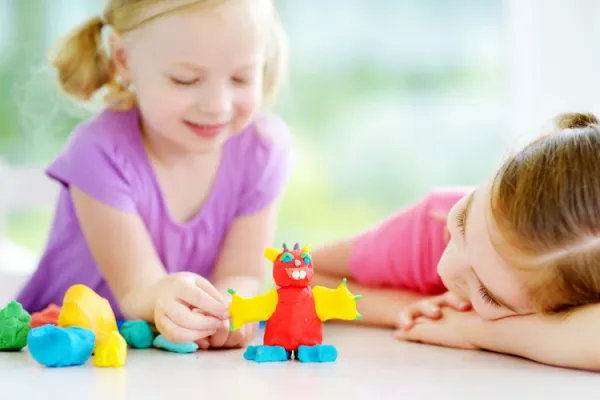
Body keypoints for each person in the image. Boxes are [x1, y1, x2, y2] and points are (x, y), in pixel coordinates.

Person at [17, 0, 293, 351]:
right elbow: (137, 291)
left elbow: (241, 274)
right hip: (64, 354)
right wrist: (169, 300)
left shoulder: (262, 149)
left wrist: (229, 312)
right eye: (186, 79)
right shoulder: (99, 151)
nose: (217, 105)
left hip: (173, 363)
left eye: (241, 77)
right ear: (124, 60)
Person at [312, 112, 600, 371]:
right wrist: (403, 309)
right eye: (462, 221)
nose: (444, 268)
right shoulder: (431, 229)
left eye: (487, 294)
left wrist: (473, 330)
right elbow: (303, 277)